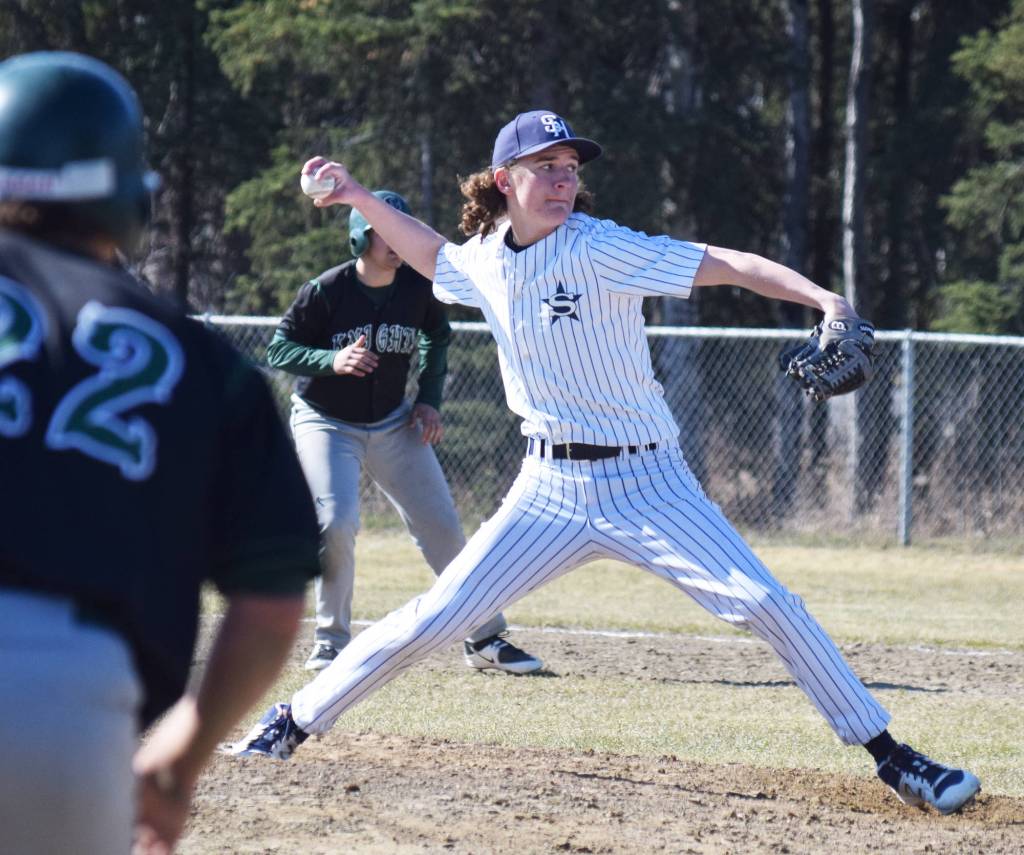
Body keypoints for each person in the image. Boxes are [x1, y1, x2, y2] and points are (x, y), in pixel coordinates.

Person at [230, 109, 981, 817]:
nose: (563, 179)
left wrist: (826, 298)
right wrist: (358, 193)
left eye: (569, 166)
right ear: (503, 181)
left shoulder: (598, 246)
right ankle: (293, 720)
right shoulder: (487, 263)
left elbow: (726, 263)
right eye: (544, 166)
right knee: (441, 614)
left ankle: (893, 757)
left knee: (767, 603)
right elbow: (431, 253)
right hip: (548, 488)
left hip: (650, 481)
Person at [0, 52, 321, 854]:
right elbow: (273, 602)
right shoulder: (202, 359)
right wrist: (179, 757)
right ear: (128, 194)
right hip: (67, 706)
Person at [267, 190, 542, 674]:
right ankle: (331, 642)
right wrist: (331, 360)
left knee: (441, 524)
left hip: (394, 421)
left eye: (398, 227)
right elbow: (279, 350)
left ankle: (484, 638)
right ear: (360, 236)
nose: (393, 239)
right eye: (381, 229)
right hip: (325, 421)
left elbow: (439, 335)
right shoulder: (327, 289)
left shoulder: (418, 287)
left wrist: (429, 400)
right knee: (336, 521)